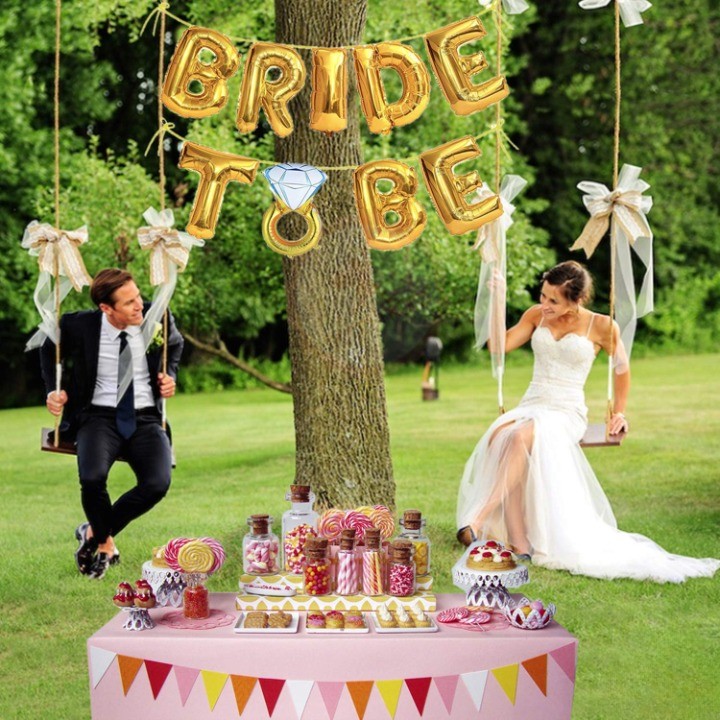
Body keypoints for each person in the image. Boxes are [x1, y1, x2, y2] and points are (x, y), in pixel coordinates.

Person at [456, 261, 719, 582]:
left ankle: (478, 517)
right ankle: (520, 542)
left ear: (577, 300)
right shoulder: (536, 315)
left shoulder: (601, 325)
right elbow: (499, 346)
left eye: (554, 301)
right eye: (543, 296)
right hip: (533, 403)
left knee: (521, 436)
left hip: (567, 411)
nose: (545, 305)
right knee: (503, 435)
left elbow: (621, 368)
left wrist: (618, 412)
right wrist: (497, 301)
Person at [41, 268, 183, 579]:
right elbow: (49, 348)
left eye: (138, 297)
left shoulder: (156, 317)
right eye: (129, 302)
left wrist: (169, 375)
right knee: (92, 478)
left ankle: (93, 533)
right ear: (106, 308)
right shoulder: (80, 325)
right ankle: (106, 544)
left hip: (146, 417)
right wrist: (54, 389)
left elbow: (174, 345)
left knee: (156, 484)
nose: (139, 306)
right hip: (97, 416)